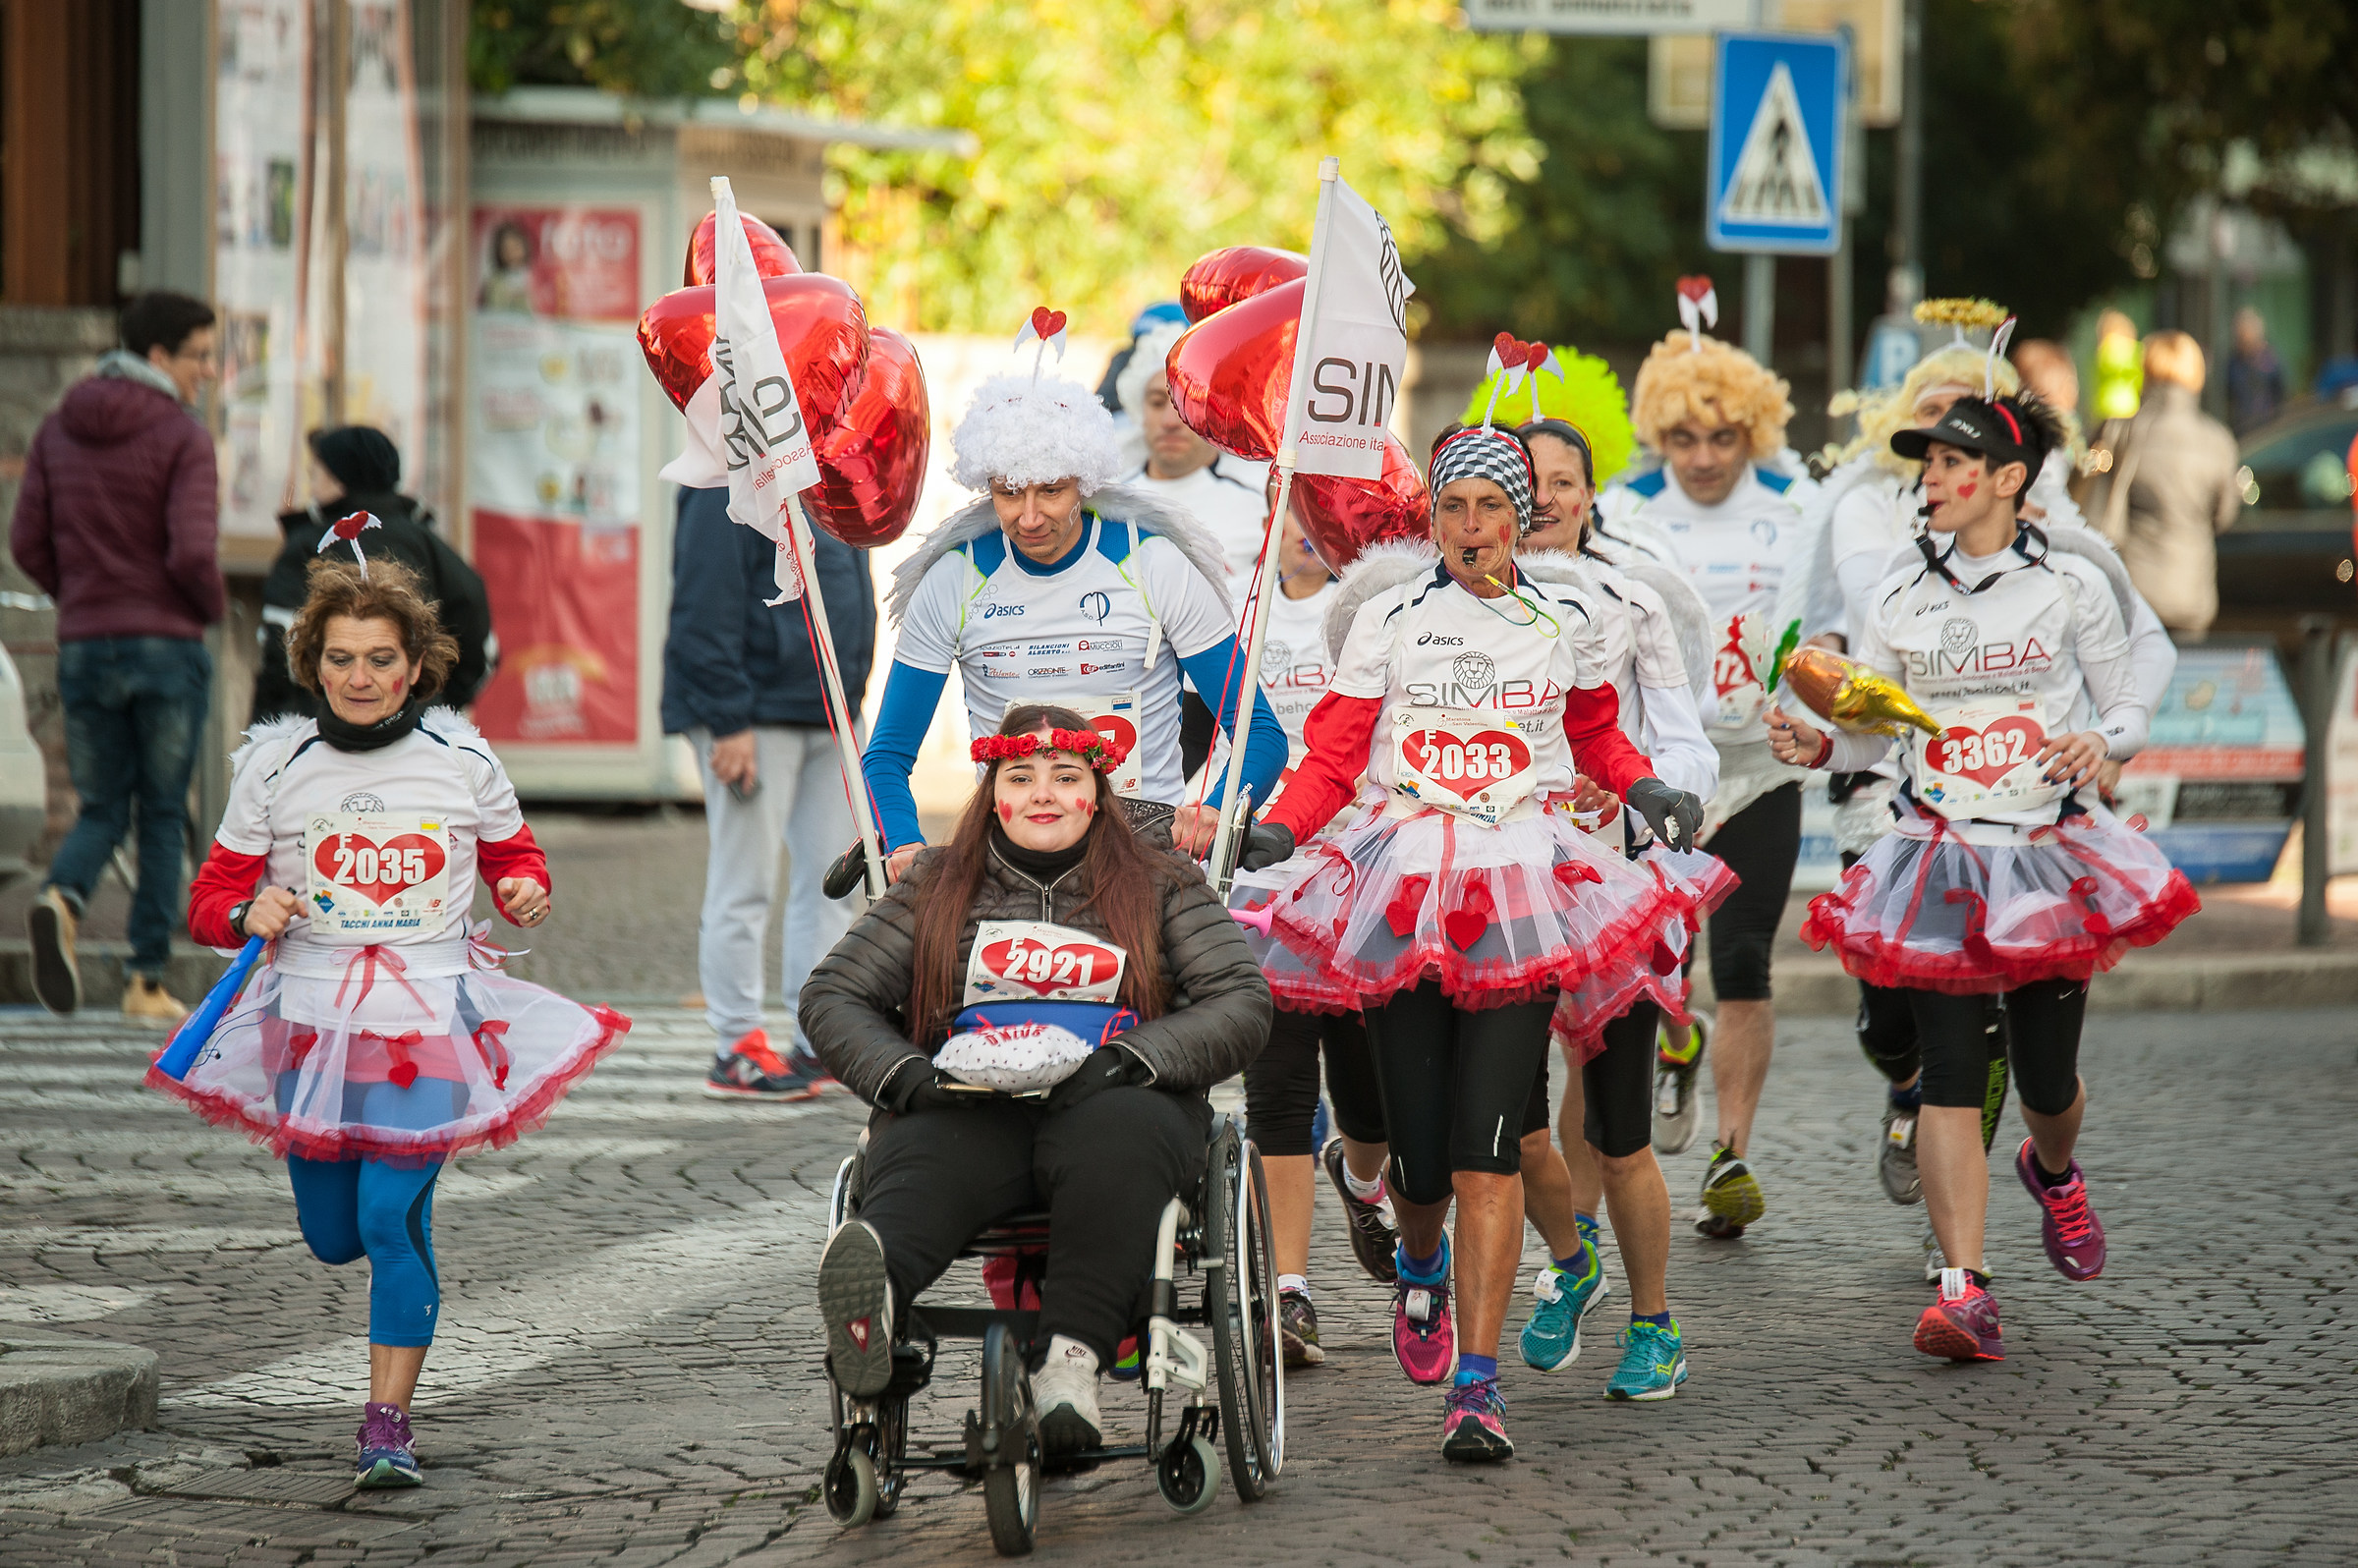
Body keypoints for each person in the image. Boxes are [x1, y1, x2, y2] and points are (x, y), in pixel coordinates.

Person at [1233, 417, 1717, 1462]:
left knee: (1488, 1146)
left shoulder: (1564, 619)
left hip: (1523, 885)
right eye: (1452, 506)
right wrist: (1283, 823)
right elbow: (1333, 754)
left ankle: (1478, 1385)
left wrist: (1650, 787)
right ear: (1434, 517)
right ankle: (1418, 1267)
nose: (1471, 526)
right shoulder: (1391, 619)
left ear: (1522, 516)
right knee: (1420, 1162)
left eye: (1491, 506)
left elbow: (1596, 733)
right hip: (1405, 881)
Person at [159, 558, 628, 1485]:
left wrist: (523, 887)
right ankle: (399, 1253)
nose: (361, 678)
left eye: (381, 658)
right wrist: (243, 913)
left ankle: (387, 1427)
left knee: (383, 1215)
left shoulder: (463, 760)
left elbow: (512, 853)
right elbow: (211, 897)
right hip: (309, 1027)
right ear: (314, 663)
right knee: (334, 1236)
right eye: (341, 659)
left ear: (417, 665)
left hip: (427, 1027)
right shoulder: (276, 765)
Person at [1773, 390, 2197, 1362]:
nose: (1930, 478)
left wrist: (2101, 737)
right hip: (1936, 855)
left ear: (2008, 480)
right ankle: (1964, 1288)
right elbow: (1869, 735)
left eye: (1950, 462)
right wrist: (1815, 746)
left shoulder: (2068, 585)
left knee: (2048, 1083)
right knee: (1951, 1075)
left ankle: (2053, 1170)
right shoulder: (1896, 593)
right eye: (1923, 463)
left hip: (2044, 856)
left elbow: (2131, 693)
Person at [805, 705, 1270, 1456]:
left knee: (1117, 1148)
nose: (1043, 794)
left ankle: (1070, 1370)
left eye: (1065, 776)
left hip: (1117, 1095)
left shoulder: (1161, 881)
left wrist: (1135, 1059)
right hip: (968, 1100)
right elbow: (834, 995)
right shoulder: (935, 883)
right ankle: (874, 1304)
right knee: (924, 1159)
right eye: (1020, 778)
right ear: (994, 795)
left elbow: (1241, 1000)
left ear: (1097, 792)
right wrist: (909, 1078)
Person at [863, 364, 1286, 876]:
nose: (1030, 516)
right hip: (1007, 863)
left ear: (1084, 483)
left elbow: (1260, 732)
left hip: (1142, 857)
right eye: (1009, 493)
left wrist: (1215, 812)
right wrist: (905, 844)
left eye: (1051, 491)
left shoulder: (1152, 563)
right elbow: (886, 754)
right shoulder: (954, 577)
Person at [1505, 408, 1722, 1402]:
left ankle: (1653, 1323)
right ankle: (1570, 1255)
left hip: (1612, 895)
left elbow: (1687, 746)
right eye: (1523, 480)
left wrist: (1641, 795)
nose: (1541, 498)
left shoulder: (1629, 603)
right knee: (1508, 1130)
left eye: (1561, 481)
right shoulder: (1450, 609)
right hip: (1494, 892)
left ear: (1591, 497)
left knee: (1620, 1128)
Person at [1596, 328, 1820, 1239]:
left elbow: (1826, 623)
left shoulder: (1798, 504)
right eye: (1683, 440)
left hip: (1761, 766)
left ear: (1752, 435)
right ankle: (1674, 1045)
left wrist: (1815, 717)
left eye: (1722, 439)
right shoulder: (1621, 507)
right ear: (1658, 435)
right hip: (1660, 777)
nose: (1701, 459)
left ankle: (1731, 1154)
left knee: (1744, 959)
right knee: (1661, 967)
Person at [11, 290, 224, 1024]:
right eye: (201, 354)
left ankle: (61, 896)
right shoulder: (182, 436)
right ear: (158, 356)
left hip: (85, 643)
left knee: (102, 805)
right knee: (162, 813)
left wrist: (82, 598)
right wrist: (208, 608)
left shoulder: (56, 430)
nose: (209, 370)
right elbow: (194, 552)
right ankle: (144, 979)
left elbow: (25, 543)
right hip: (166, 644)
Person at [1234, 511, 1395, 1368]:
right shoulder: (1241, 608)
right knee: (1279, 1094)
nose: (1304, 531)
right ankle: (1289, 1294)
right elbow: (1214, 737)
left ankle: (1363, 1176)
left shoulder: (1385, 604)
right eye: (1289, 512)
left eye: (1320, 515)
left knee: (1372, 1102)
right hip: (1268, 880)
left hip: (1371, 881)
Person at [664, 481, 875, 1100]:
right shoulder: (720, 472)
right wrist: (727, 718)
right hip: (754, 715)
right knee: (745, 884)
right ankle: (735, 1046)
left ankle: (820, 1040)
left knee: (832, 887)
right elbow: (704, 599)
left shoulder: (827, 467)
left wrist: (854, 699)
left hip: (830, 711)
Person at [1117, 319, 1277, 781]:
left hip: (1227, 705)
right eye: (1155, 402)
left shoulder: (1256, 506)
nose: (1170, 419)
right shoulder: (1105, 508)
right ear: (1137, 409)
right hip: (1129, 704)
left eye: (1181, 403)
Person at [254, 426, 494, 723]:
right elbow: (473, 624)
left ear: (342, 477)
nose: (311, 486)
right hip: (415, 721)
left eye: (315, 473)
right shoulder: (424, 541)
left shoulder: (312, 542)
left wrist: (267, 725)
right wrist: (442, 695)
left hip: (325, 726)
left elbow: (281, 649)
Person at [2091, 330, 2241, 637]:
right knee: (2188, 682)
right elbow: (2224, 517)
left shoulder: (2121, 433)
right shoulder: (2218, 439)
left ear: (2147, 371)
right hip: (2193, 592)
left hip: (2134, 589)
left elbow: (2098, 509)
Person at [2227, 307, 2285, 434]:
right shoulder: (2234, 362)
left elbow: (2282, 395)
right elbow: (2229, 395)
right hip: (2241, 429)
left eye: (2247, 338)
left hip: (2267, 429)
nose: (2243, 343)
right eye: (2240, 338)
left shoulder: (2271, 361)